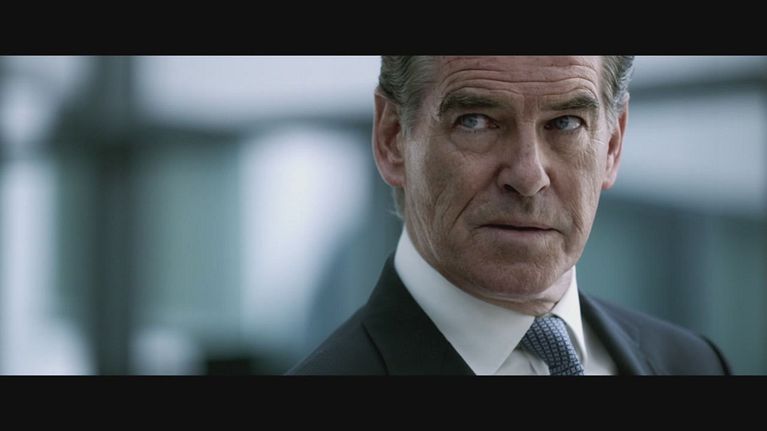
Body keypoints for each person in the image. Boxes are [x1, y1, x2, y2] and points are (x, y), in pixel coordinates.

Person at [287, 56, 731, 375]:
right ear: (392, 138)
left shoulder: (697, 365)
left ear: (612, 146)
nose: (528, 176)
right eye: (475, 120)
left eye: (566, 123)